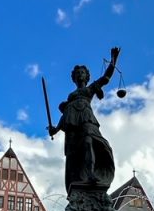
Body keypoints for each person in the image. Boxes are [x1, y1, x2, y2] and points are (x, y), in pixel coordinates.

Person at [47, 47, 121, 192]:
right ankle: (79, 179)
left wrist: (113, 60)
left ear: (87, 77)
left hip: (87, 119)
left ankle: (91, 174)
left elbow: (106, 78)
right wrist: (54, 130)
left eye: (82, 72)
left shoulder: (90, 89)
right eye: (77, 73)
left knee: (89, 141)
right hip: (73, 126)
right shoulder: (71, 97)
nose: (80, 74)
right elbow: (65, 117)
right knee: (74, 154)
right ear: (74, 78)